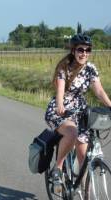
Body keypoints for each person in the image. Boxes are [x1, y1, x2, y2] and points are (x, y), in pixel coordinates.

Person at [44, 33, 111, 192]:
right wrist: (60, 106)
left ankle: (83, 190)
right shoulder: (64, 67)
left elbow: (99, 91)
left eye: (88, 50)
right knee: (72, 133)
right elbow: (60, 90)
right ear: (73, 50)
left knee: (84, 156)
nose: (84, 53)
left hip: (80, 110)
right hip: (61, 110)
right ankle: (58, 168)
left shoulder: (90, 69)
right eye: (81, 50)